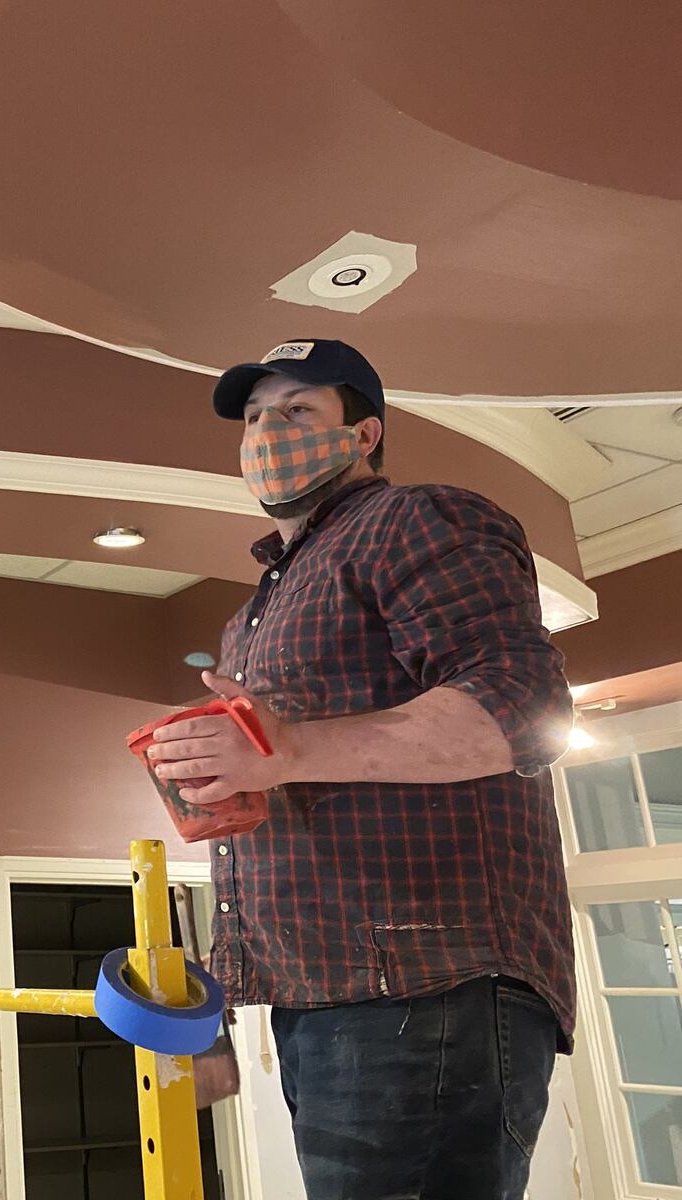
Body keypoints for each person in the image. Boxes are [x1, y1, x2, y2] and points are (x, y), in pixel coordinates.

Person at [146, 339, 574, 1199]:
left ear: (365, 433)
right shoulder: (252, 614)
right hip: (329, 996)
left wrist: (290, 750)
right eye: (256, 417)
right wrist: (218, 1008)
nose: (270, 431)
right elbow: (290, 782)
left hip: (427, 984)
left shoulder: (420, 518)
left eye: (299, 411)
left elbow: (522, 704)